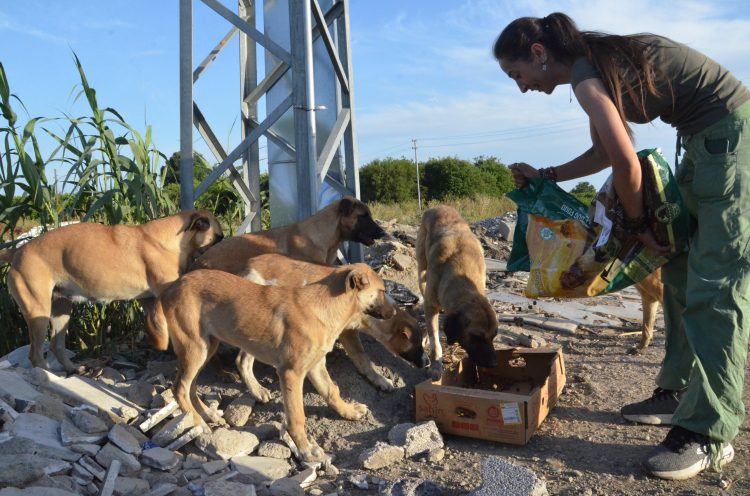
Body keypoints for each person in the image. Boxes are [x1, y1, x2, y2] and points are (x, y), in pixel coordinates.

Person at [494, 12, 750, 480]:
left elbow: (628, 167)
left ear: (538, 53)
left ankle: (712, 432)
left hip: (732, 143)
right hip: (701, 144)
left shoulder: (588, 76)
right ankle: (675, 393)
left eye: (517, 74)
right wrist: (548, 175)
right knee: (678, 273)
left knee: (715, 285)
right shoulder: (592, 67)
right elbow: (603, 154)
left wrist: (636, 223)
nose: (522, 86)